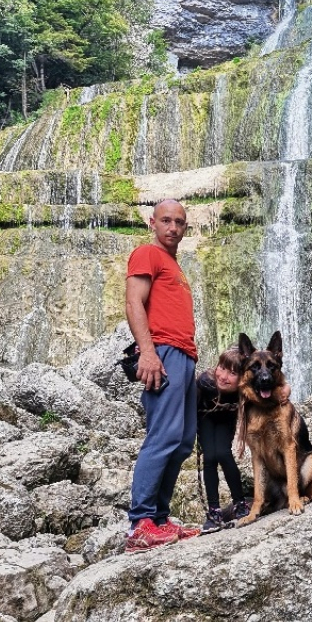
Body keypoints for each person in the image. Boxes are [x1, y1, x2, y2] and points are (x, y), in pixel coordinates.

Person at [124, 199, 200, 553]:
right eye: (166, 220)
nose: (173, 227)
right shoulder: (147, 254)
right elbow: (133, 302)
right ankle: (141, 523)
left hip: (184, 355)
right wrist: (149, 352)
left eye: (180, 222)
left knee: (183, 439)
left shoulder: (174, 266)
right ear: (152, 223)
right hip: (165, 352)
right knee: (164, 435)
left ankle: (160, 519)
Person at [197, 347, 292, 533]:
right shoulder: (205, 382)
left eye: (232, 373)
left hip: (225, 421)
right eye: (222, 368)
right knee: (209, 458)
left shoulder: (244, 388)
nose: (224, 376)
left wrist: (286, 389)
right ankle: (214, 511)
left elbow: (274, 383)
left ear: (241, 377)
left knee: (224, 454)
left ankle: (240, 503)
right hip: (205, 419)